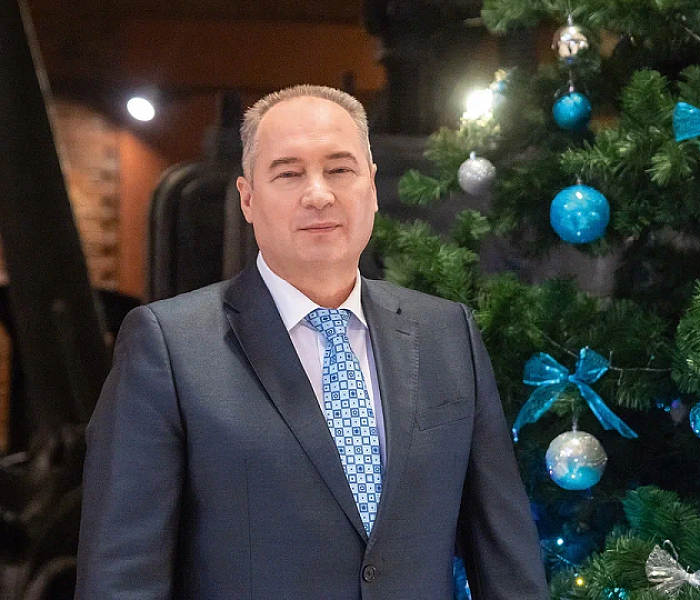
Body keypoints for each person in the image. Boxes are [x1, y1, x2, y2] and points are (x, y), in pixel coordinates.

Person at [76, 85, 548, 600]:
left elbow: (507, 561)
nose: (319, 194)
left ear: (371, 188)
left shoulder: (446, 334)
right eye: (289, 173)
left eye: (340, 169)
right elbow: (120, 579)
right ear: (248, 198)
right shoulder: (169, 346)